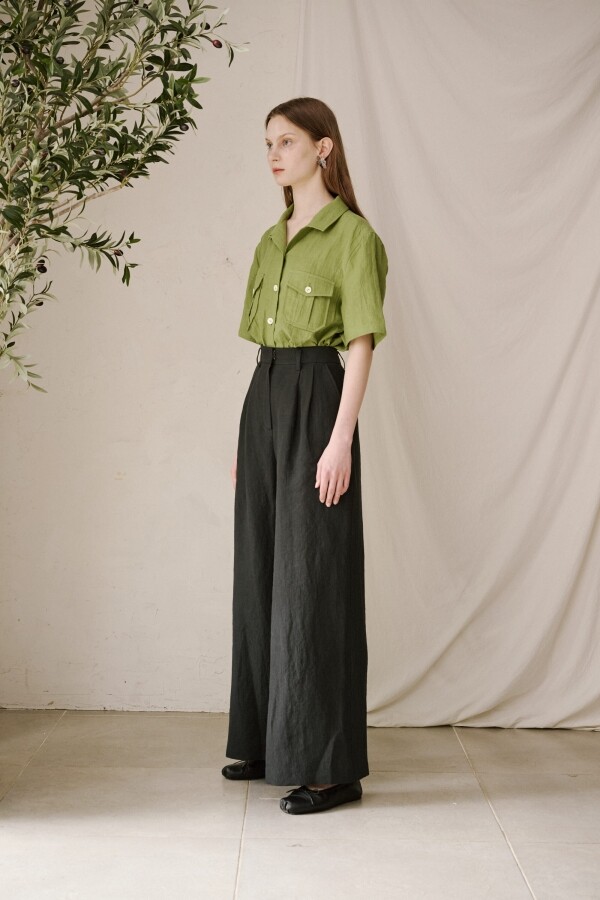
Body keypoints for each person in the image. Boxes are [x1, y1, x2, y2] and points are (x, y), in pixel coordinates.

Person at [222, 97, 389, 814]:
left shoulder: (353, 236)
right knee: (261, 570)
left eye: (286, 141)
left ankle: (329, 769)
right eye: (267, 143)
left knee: (313, 577)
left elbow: (360, 343)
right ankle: (267, 739)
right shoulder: (271, 240)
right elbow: (264, 349)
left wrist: (340, 437)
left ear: (323, 148)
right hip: (265, 397)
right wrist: (250, 437)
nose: (273, 155)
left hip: (319, 401)